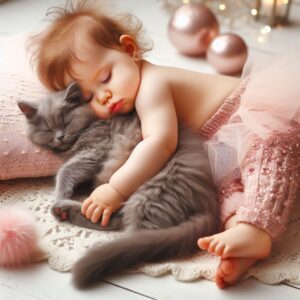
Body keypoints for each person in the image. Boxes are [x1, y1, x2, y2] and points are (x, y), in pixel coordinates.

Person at [30, 2, 300, 289]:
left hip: (253, 116)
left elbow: (159, 143)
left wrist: (116, 187)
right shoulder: (129, 95)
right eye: (90, 97)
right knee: (224, 192)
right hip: (222, 145)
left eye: (106, 78)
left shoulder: (152, 83)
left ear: (130, 50)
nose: (105, 96)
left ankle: (256, 227)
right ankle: (240, 241)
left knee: (265, 155)